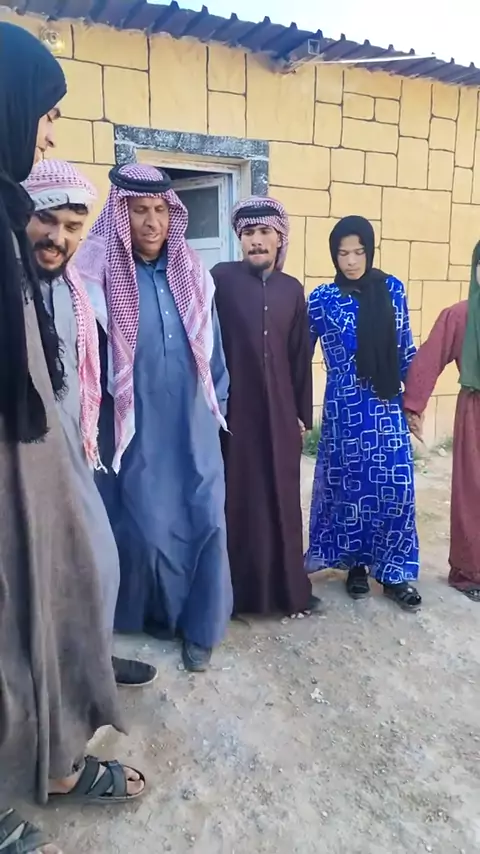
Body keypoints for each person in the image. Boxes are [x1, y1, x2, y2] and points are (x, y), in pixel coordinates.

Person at [0, 22, 145, 854]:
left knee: (71, 591)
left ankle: (55, 758)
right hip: (15, 482)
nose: (49, 131)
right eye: (45, 112)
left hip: (41, 472)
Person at [75, 163, 232, 673]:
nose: (152, 222)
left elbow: (213, 349)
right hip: (131, 423)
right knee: (147, 522)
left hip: (192, 419)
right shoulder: (95, 275)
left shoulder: (193, 272)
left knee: (206, 512)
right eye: (140, 210)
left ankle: (202, 627)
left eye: (161, 209)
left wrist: (217, 406)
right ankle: (151, 614)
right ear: (121, 214)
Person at [23, 158, 157, 688]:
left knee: (97, 561)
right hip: (24, 460)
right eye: (46, 220)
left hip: (72, 453)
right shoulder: (14, 286)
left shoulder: (74, 288)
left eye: (72, 226)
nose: (58, 238)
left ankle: (92, 663)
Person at [305, 216, 421, 611]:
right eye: (343, 253)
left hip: (385, 402)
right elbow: (296, 350)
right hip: (345, 406)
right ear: (333, 255)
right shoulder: (321, 299)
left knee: (396, 485)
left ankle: (394, 571)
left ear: (370, 251)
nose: (351, 260)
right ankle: (356, 565)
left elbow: (405, 348)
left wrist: (415, 403)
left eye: (358, 252)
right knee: (352, 488)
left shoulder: (392, 289)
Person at [211, 196, 318, 618]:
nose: (256, 241)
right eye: (248, 233)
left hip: (281, 414)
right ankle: (239, 596)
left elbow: (299, 355)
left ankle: (287, 591)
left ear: (279, 238)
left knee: (283, 500)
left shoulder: (292, 289)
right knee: (240, 501)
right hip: (234, 415)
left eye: (264, 232)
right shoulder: (221, 279)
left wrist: (301, 415)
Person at [404, 241, 480, 603]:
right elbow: (430, 357)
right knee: (472, 490)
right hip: (475, 412)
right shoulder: (461, 315)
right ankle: (470, 571)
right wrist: (414, 406)